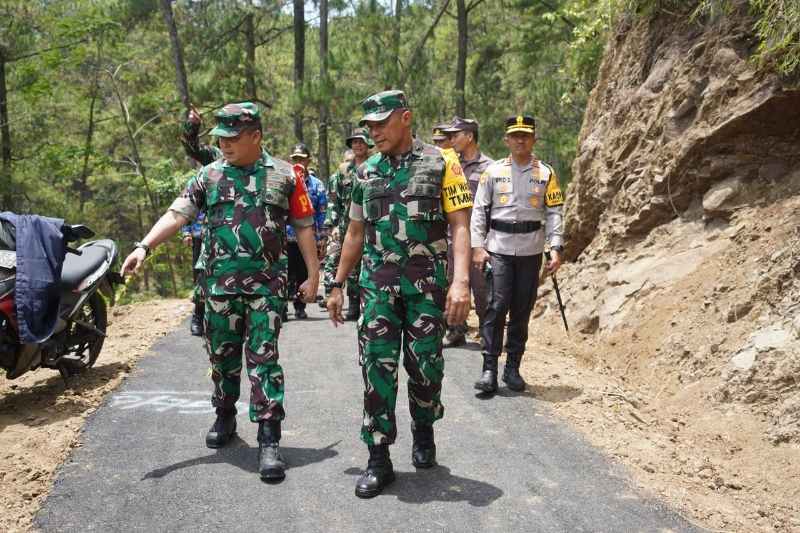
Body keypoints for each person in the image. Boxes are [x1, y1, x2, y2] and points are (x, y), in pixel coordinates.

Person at [120, 102, 320, 482]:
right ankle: (225, 413)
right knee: (222, 360)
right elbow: (177, 214)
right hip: (218, 290)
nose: (224, 144)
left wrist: (313, 274)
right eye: (221, 138)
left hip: (266, 288)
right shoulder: (208, 175)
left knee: (264, 360)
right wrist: (144, 246)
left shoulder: (286, 175)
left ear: (255, 136)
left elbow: (304, 226)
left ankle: (269, 439)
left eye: (232, 137)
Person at [327, 90, 472, 498]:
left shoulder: (443, 162)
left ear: (405, 118)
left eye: (381, 123)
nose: (373, 132)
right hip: (377, 290)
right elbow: (355, 232)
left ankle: (423, 428)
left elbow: (460, 225)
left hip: (426, 289)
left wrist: (461, 281)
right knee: (376, 369)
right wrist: (337, 284)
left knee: (426, 367)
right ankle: (379, 457)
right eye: (369, 125)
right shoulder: (365, 172)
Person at [470, 114, 564, 395]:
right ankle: (489, 369)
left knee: (522, 309)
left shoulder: (546, 173)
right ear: (506, 140)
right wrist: (477, 246)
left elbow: (554, 212)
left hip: (530, 250)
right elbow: (479, 210)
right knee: (497, 306)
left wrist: (555, 247)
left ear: (534, 139)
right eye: (515, 136)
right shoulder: (493, 172)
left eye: (525, 135)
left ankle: (512, 367)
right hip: (498, 249)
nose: (520, 140)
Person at [441, 117, 493, 348]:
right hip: (454, 239)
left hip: (481, 241)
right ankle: (455, 330)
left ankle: (488, 333)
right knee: (453, 283)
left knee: (483, 290)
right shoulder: (451, 166)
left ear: (470, 136)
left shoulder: (490, 168)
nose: (451, 140)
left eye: (456, 135)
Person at [322, 128, 373, 320]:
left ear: (368, 144)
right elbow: (333, 200)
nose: (357, 145)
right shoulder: (343, 171)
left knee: (365, 264)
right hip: (345, 225)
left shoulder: (375, 167)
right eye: (354, 142)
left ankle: (363, 302)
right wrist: (333, 225)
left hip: (369, 224)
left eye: (361, 141)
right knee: (345, 262)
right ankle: (350, 302)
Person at [286, 143, 327, 320]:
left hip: (307, 238)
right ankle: (282, 307)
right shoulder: (286, 181)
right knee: (285, 273)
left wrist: (321, 237)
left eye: (302, 158)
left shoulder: (317, 185)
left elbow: (322, 213)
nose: (298, 161)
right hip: (286, 237)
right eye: (295, 158)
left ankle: (300, 306)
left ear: (308, 160)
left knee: (303, 273)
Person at [181, 212, 206, 336]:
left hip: (226, 234)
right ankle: (198, 315)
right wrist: (186, 232)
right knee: (200, 276)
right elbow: (188, 208)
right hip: (199, 236)